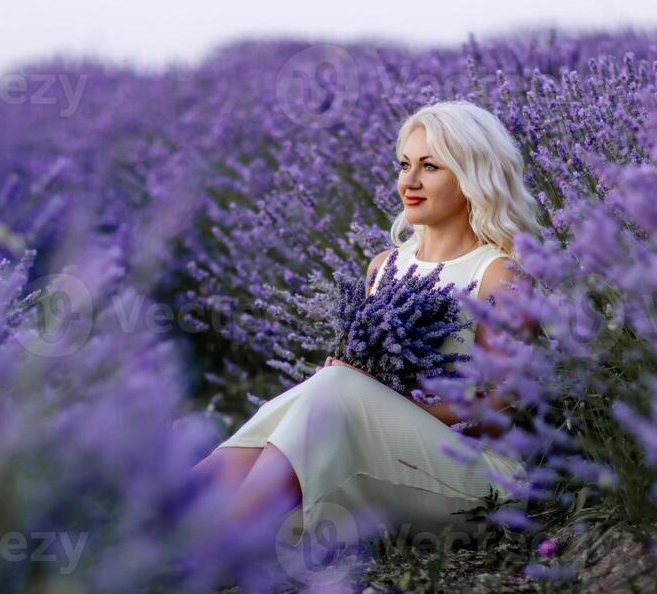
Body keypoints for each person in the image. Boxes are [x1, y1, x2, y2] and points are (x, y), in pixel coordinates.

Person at [192, 100, 543, 549]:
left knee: (335, 389)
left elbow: (497, 418)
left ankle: (214, 548)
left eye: (430, 167)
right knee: (311, 397)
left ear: (472, 176)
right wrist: (355, 383)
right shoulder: (385, 267)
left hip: (477, 481)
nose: (409, 182)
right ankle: (167, 520)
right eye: (404, 165)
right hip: (386, 461)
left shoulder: (500, 275)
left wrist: (373, 395)